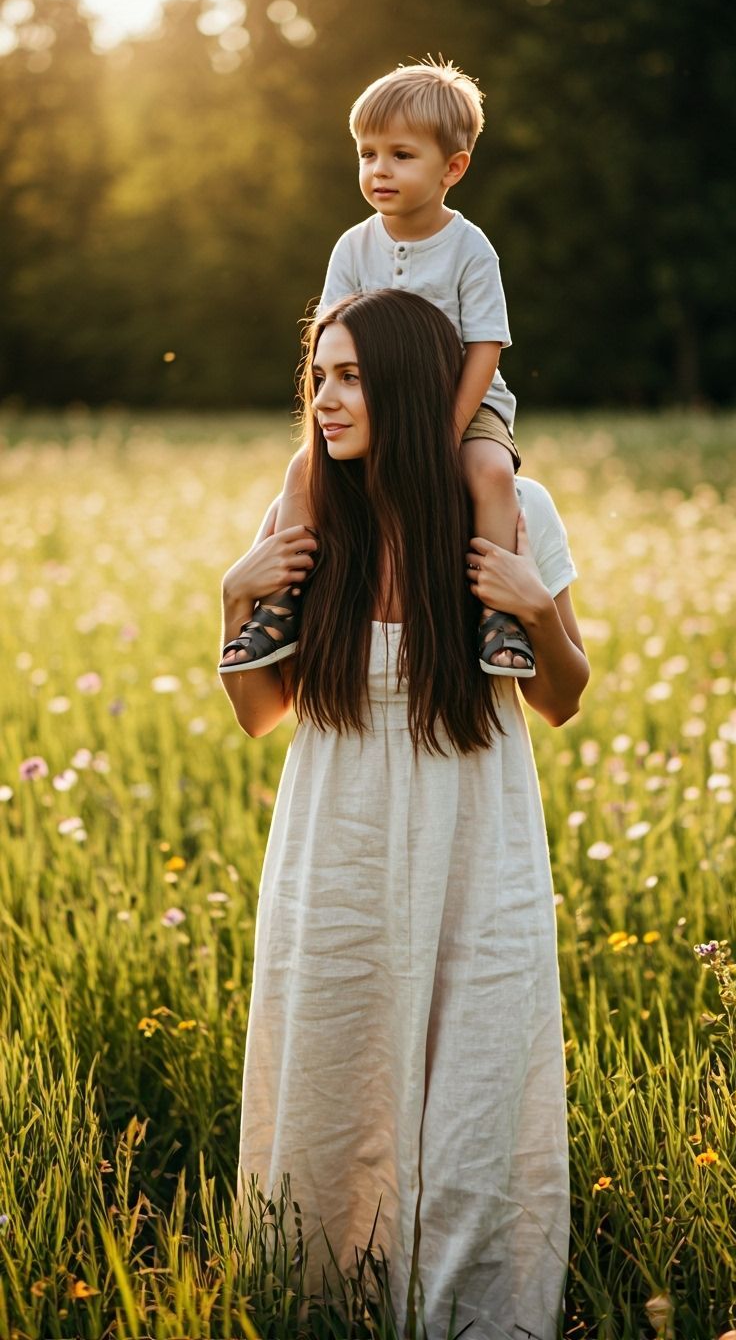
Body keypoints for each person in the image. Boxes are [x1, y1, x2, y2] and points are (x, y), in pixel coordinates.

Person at [221, 289, 589, 1340]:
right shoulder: (307, 510)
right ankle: (319, 1307)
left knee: (479, 1083)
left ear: (415, 388)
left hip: (479, 835)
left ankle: (476, 1320)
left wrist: (530, 607)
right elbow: (259, 712)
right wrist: (233, 598)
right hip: (336, 838)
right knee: (332, 1078)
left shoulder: (513, 504)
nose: (326, 400)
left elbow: (560, 695)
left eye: (351, 377)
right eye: (319, 378)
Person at [219, 57, 537, 681]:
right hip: (375, 408)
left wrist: (448, 428)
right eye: (367, 154)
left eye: (400, 155)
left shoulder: (471, 248)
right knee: (302, 471)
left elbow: (484, 348)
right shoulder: (353, 245)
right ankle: (281, 605)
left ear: (453, 168)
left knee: (491, 471)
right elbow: (331, 339)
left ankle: (501, 614)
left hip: (466, 405)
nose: (378, 170)